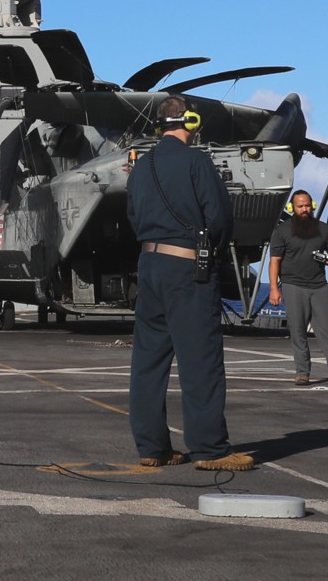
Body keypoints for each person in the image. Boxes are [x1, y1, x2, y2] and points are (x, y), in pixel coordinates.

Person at [126, 96, 253, 472]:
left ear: (158, 126)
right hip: (188, 268)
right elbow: (218, 218)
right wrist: (208, 252)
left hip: (149, 264)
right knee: (200, 360)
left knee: (148, 360)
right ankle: (210, 449)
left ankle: (152, 447)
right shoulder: (197, 161)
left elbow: (133, 216)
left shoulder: (141, 166)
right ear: (191, 123)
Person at [268, 191, 328, 386]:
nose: (304, 209)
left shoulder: (323, 229)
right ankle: (302, 373)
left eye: (307, 205)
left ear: (313, 205)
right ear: (292, 208)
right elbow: (274, 261)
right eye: (300, 206)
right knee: (298, 330)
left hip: (319, 286)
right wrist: (274, 289)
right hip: (293, 286)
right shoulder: (282, 231)